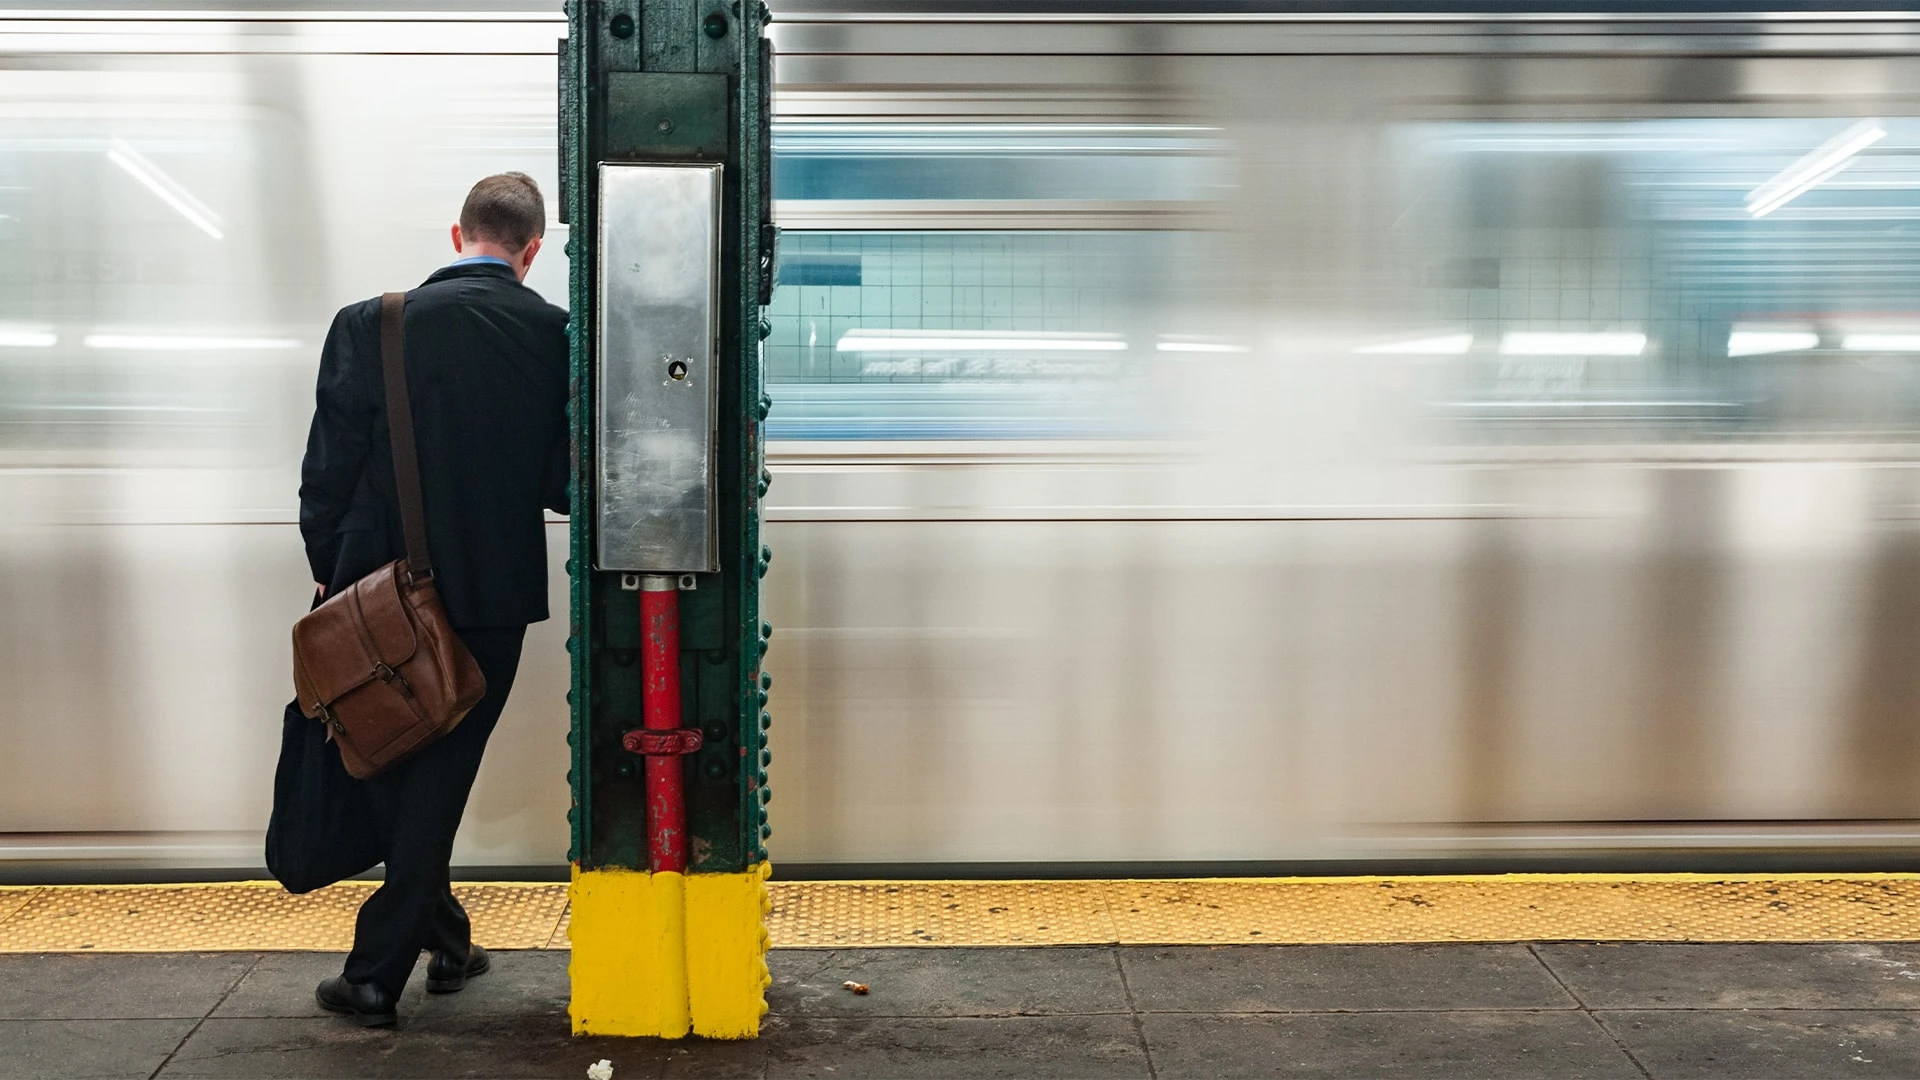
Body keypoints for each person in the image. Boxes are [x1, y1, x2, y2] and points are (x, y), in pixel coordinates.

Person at [274, 172, 569, 1027]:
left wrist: (329, 570)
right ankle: (444, 941)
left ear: (456, 235)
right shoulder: (558, 335)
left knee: (385, 757)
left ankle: (375, 976)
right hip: (493, 595)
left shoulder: (371, 322)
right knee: (437, 769)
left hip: (374, 588)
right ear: (531, 250)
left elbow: (326, 469)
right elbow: (561, 485)